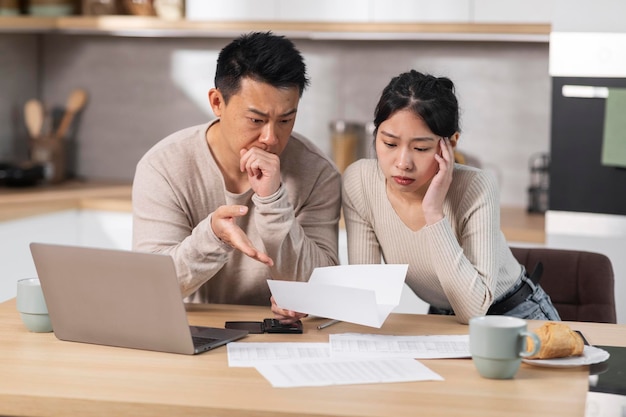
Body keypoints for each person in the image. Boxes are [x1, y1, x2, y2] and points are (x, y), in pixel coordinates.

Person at [132, 32, 341, 313]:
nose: (270, 137)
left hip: (284, 336)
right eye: (256, 120)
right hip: (195, 331)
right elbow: (149, 285)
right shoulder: (164, 166)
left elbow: (324, 288)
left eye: (285, 120)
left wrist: (273, 201)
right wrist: (213, 237)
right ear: (217, 102)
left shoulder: (317, 173)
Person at [342, 70, 560, 324]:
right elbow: (368, 298)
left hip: (514, 314)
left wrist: (434, 213)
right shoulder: (360, 182)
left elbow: (473, 310)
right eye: (390, 144)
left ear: (451, 143)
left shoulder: (476, 187)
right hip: (443, 318)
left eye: (421, 148)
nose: (402, 163)